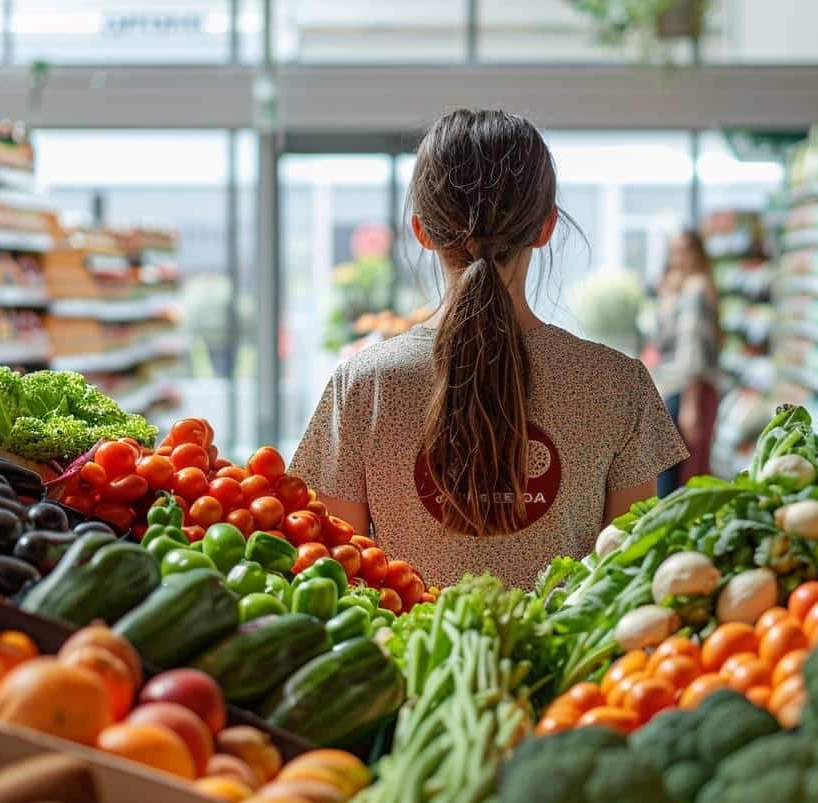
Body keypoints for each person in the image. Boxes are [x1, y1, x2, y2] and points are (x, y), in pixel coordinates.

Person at [289, 109, 687, 589]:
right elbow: (626, 580)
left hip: (405, 660)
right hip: (566, 664)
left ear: (422, 231)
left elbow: (340, 578)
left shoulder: (364, 385)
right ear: (545, 228)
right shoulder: (619, 385)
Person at [645, 229, 720, 496]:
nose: (678, 257)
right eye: (674, 250)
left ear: (697, 253)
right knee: (671, 472)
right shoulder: (678, 288)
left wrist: (691, 404)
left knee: (677, 478)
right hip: (671, 388)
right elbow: (661, 341)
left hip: (688, 391)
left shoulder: (696, 290)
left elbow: (693, 350)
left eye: (684, 250)